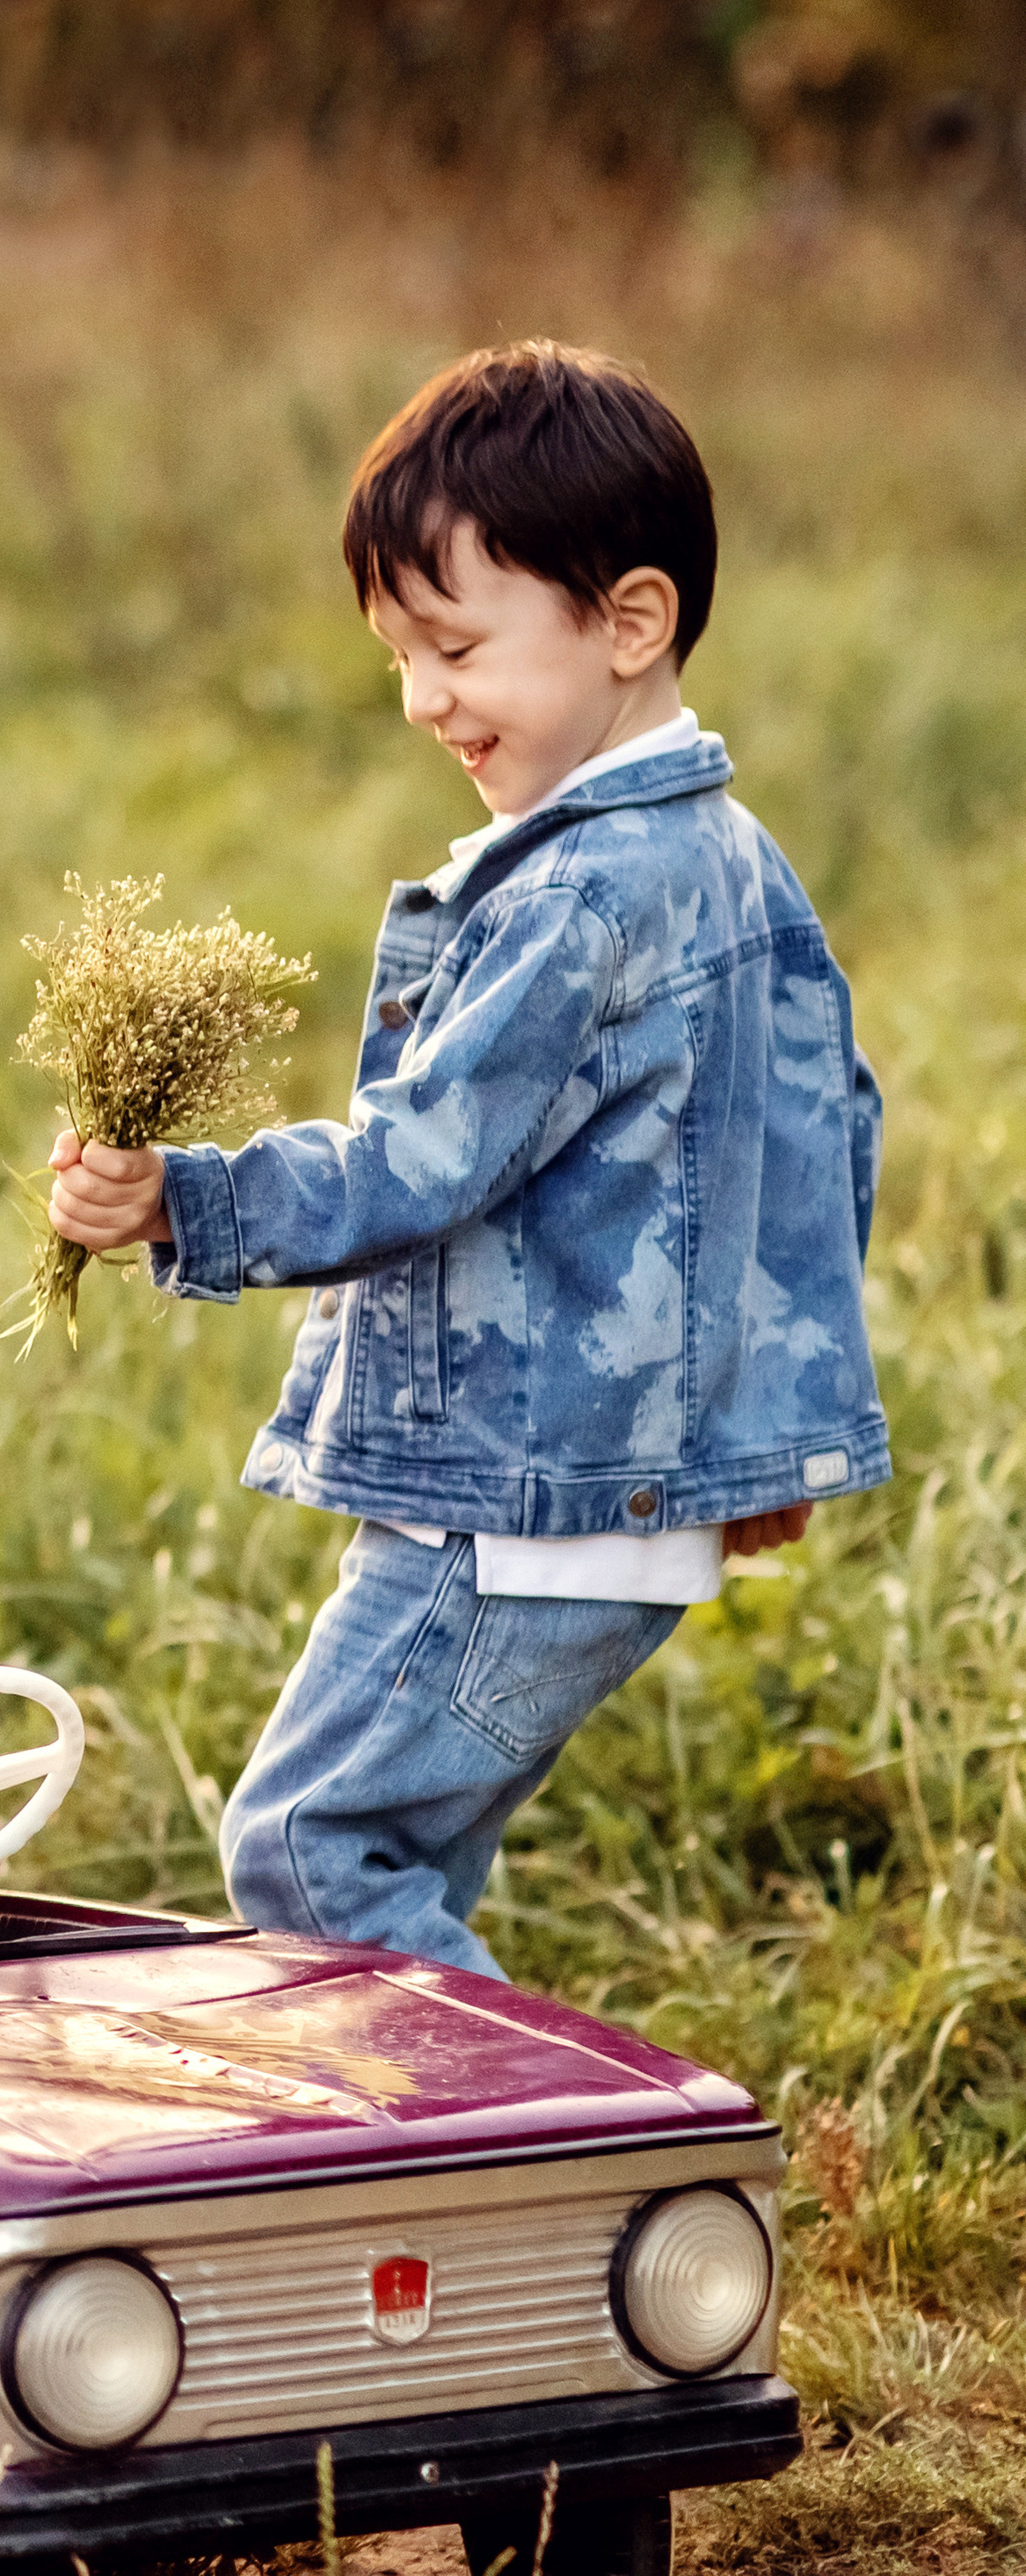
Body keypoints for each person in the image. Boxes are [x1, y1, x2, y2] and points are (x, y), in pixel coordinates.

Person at [48, 340, 887, 1980]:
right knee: (400, 1860)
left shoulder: (582, 895)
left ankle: (543, 2180)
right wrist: (750, 1436)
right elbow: (826, 1138)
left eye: (455, 646)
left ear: (629, 623)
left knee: (313, 1849)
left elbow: (415, 1165)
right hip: (599, 1491)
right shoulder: (728, 856)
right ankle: (443, 2212)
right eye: (400, 658)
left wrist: (185, 1198)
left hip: (520, 1499)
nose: (426, 699)